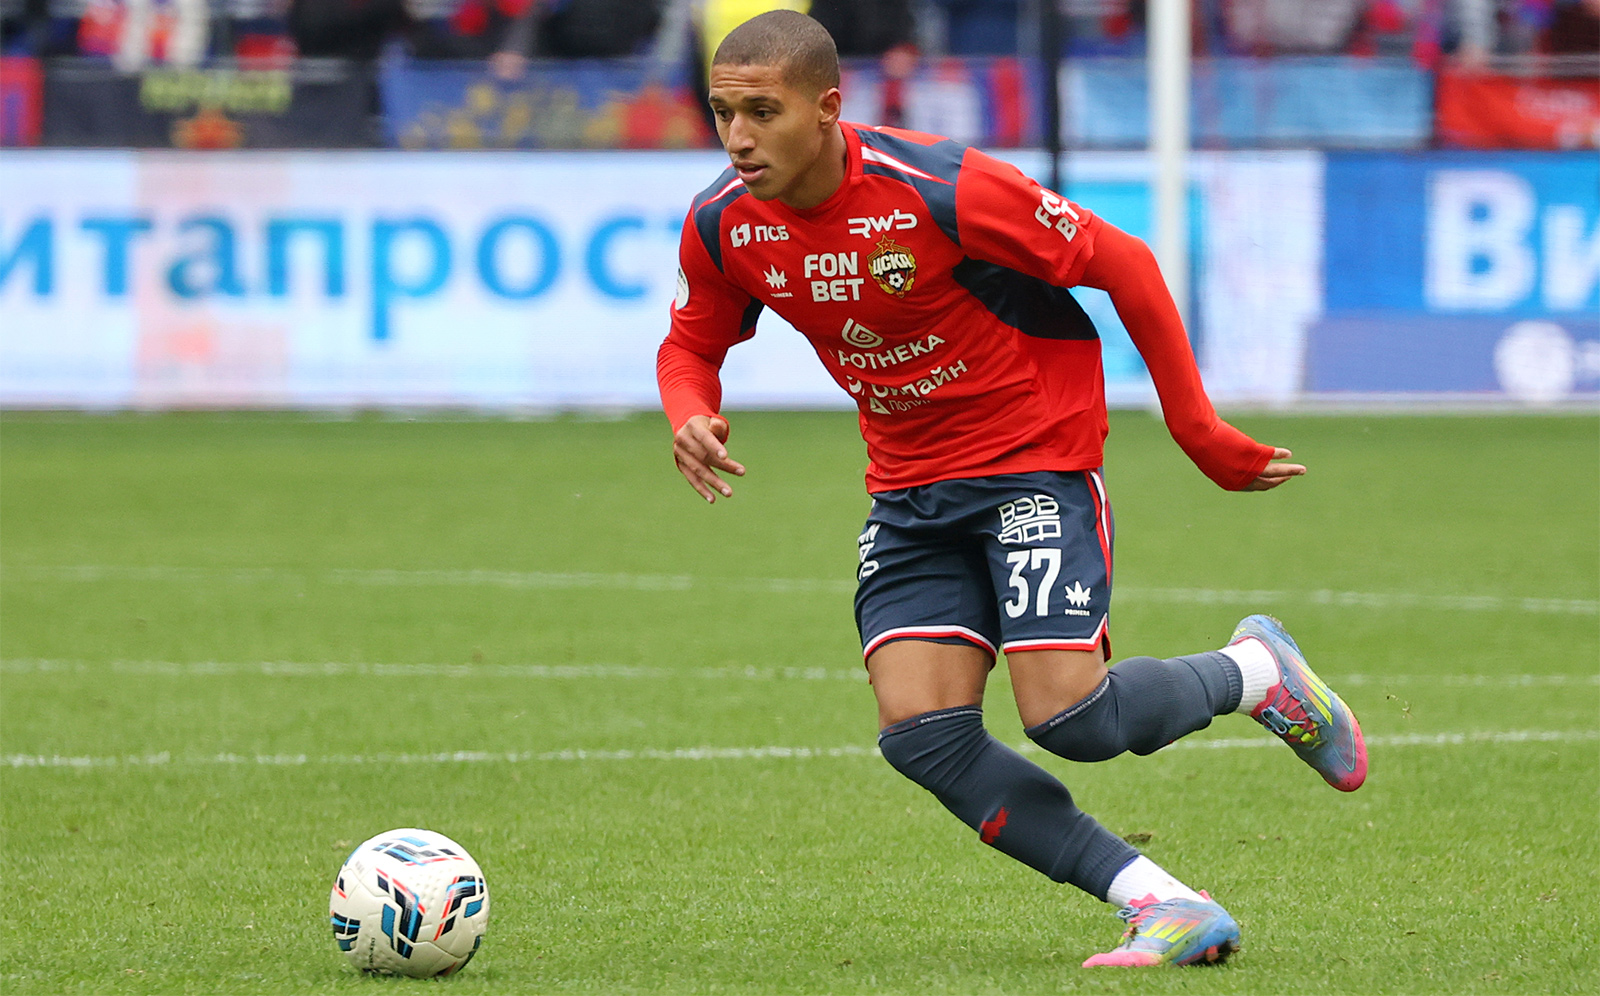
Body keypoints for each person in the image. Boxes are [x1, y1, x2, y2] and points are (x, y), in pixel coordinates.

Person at [656, 9, 1368, 968]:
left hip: (1031, 453)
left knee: (1073, 718)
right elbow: (690, 343)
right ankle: (1163, 902)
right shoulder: (723, 222)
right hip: (910, 490)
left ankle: (1255, 675)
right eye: (722, 113)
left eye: (761, 112)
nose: (738, 138)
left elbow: (1124, 262)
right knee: (921, 732)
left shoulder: (940, 188)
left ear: (826, 108)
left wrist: (1198, 430)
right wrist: (690, 410)